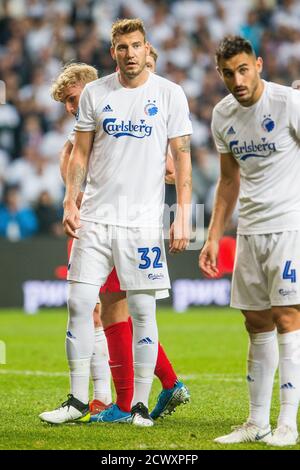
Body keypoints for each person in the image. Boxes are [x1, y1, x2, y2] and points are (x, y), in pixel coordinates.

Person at [40, 18, 192, 427]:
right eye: (66, 104)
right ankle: (113, 398)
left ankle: (125, 400)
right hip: (95, 224)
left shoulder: (156, 97)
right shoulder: (82, 130)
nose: (71, 107)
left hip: (135, 224)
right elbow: (89, 160)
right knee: (101, 311)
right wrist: (72, 201)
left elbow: (172, 159)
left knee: (118, 312)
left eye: (73, 99)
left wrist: (178, 206)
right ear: (113, 53)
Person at [199, 35, 300, 446]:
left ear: (258, 64)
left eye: (243, 69)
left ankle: (287, 424)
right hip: (249, 230)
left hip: (290, 226)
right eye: (227, 73)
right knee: (255, 322)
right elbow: (227, 181)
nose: (237, 80)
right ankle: (257, 422)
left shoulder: (288, 103)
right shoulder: (222, 115)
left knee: (287, 318)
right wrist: (211, 237)